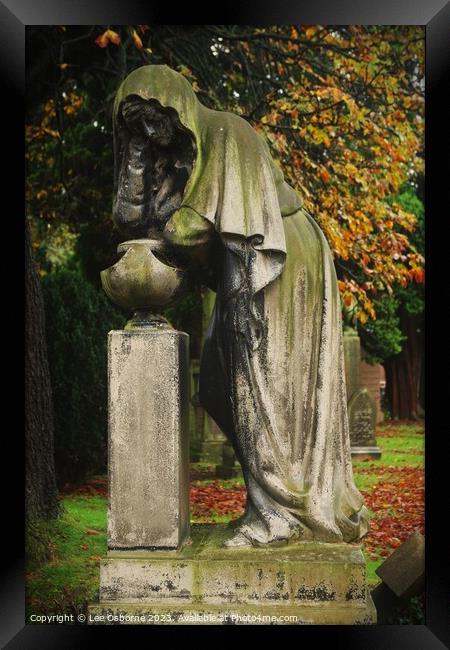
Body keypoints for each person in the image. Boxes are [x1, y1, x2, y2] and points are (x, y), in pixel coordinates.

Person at [112, 65, 369, 547]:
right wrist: (137, 158)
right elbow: (128, 218)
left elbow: (190, 226)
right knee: (216, 386)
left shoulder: (227, 133)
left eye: (151, 118)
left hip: (278, 261)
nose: (149, 130)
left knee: (268, 388)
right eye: (135, 125)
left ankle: (280, 515)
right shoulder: (181, 157)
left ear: (176, 105)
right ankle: (273, 501)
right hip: (241, 273)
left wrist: (167, 230)